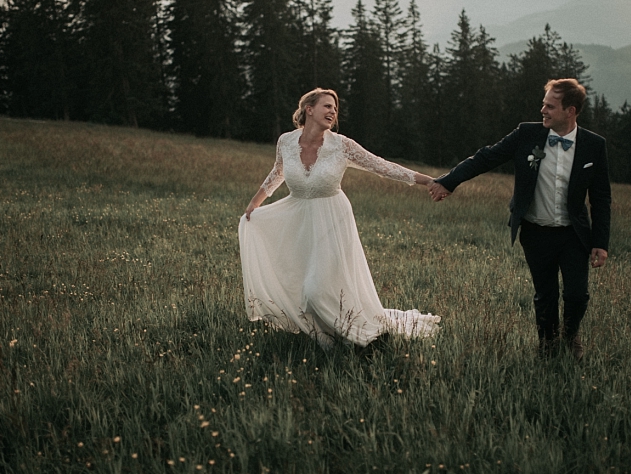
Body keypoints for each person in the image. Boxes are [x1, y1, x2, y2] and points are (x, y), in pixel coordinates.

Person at [239, 88, 441, 348]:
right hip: (299, 222)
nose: (333, 111)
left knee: (314, 291)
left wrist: (427, 181)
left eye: (335, 108)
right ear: (309, 110)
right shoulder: (286, 142)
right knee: (302, 287)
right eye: (327, 106)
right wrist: (254, 204)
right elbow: (277, 172)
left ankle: (357, 340)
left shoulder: (342, 146)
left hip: (333, 221)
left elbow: (382, 166)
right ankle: (332, 332)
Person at [428, 79, 610, 360]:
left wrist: (600, 242)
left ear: (570, 110)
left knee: (576, 294)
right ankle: (548, 348)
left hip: (573, 234)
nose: (543, 110)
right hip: (536, 231)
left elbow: (600, 198)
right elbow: (486, 158)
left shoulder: (594, 146)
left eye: (550, 106)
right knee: (545, 295)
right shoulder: (527, 134)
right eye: (543, 103)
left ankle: (570, 335)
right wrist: (449, 181)